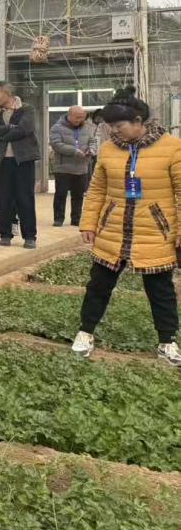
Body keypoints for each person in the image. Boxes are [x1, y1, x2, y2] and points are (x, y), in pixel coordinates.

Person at [74, 86, 181, 367]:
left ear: (138, 121)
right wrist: (89, 222)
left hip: (154, 232)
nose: (114, 132)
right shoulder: (109, 149)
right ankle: (85, 332)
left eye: (118, 126)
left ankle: (167, 341)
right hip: (112, 231)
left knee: (161, 291)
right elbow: (97, 189)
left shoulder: (172, 148)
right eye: (110, 127)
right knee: (98, 285)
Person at [0, 81, 39, 248]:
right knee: (2, 198)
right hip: (2, 161)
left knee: (25, 198)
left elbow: (24, 129)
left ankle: (29, 236)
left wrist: (1, 136)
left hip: (23, 160)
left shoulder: (26, 109)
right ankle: (5, 234)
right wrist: (9, 128)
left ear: (7, 94)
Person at [51, 105, 94, 228]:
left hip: (82, 167)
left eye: (82, 117)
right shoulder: (57, 128)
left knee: (78, 195)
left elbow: (93, 141)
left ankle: (76, 219)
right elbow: (56, 144)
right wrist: (74, 151)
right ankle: (58, 218)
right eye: (77, 117)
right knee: (61, 194)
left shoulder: (88, 127)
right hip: (63, 167)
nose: (80, 120)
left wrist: (91, 149)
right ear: (69, 115)